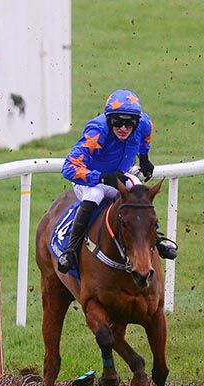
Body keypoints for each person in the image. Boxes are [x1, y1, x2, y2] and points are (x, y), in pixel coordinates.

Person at [57, 89, 177, 274]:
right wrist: (101, 177)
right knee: (95, 194)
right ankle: (71, 250)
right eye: (118, 123)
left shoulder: (144, 124)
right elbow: (69, 167)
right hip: (89, 180)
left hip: (118, 176)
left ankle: (157, 239)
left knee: (139, 190)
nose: (123, 128)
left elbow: (146, 138)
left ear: (137, 122)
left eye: (129, 124)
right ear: (109, 120)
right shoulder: (97, 131)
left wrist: (144, 158)